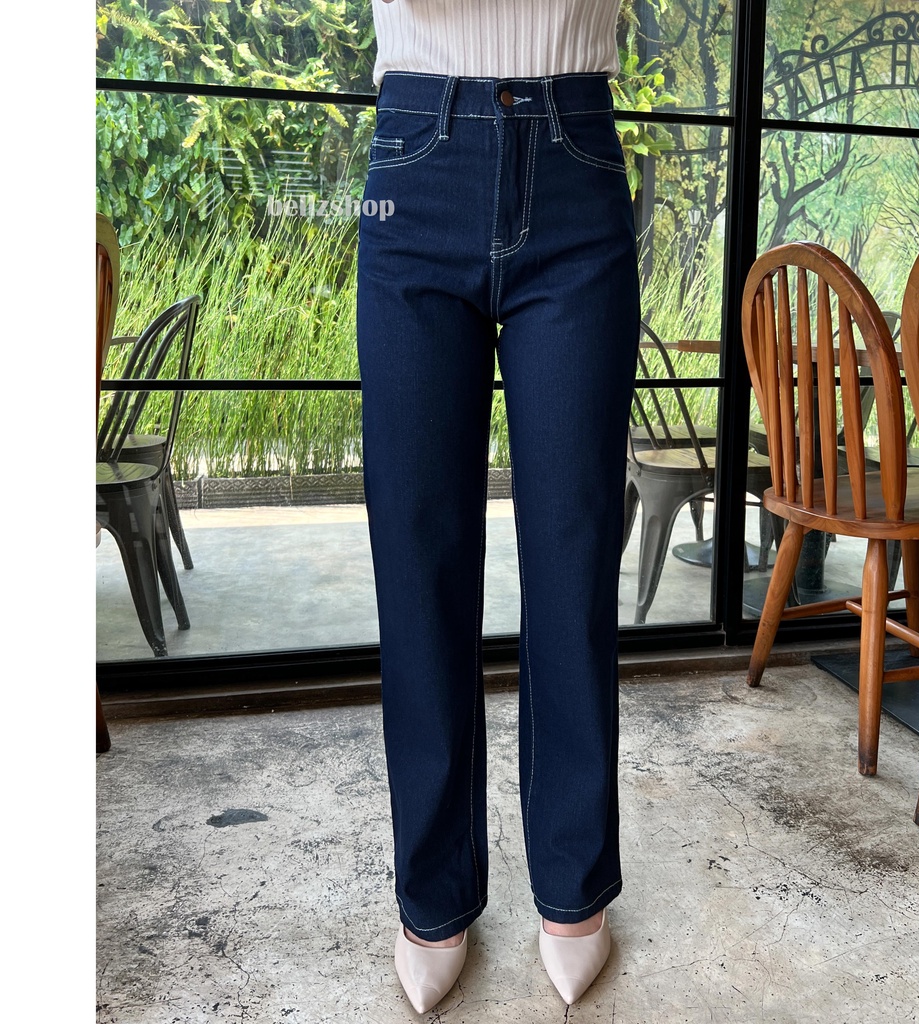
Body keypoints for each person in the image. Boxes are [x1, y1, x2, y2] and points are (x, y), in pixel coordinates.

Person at [356, 0, 640, 1012]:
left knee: (573, 548)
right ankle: (434, 894)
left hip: (574, 153)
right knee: (417, 554)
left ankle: (573, 883)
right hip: (416, 156)